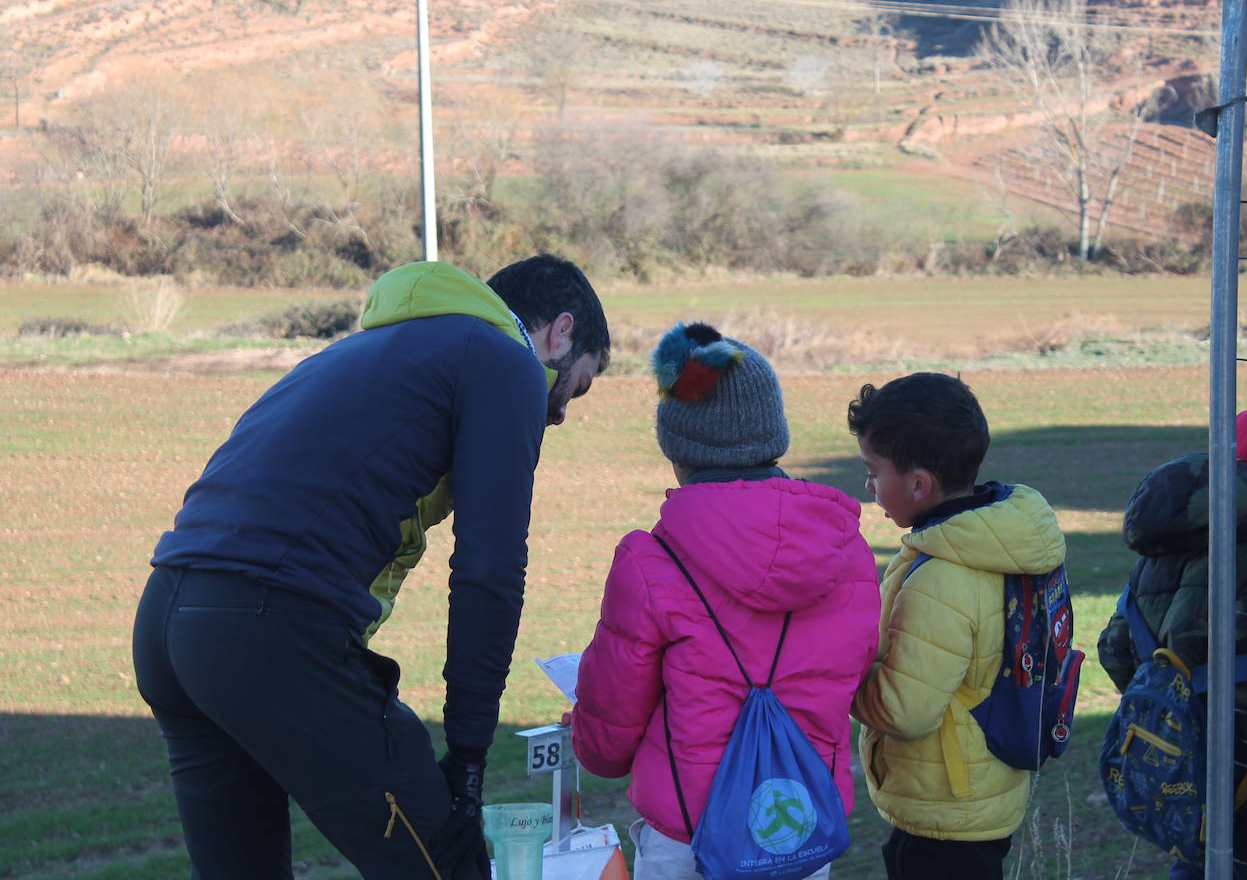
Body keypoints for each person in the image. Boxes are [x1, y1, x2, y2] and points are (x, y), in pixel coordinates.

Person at [132, 256, 611, 879]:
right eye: (577, 387)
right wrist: (467, 759)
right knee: (449, 867)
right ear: (560, 332)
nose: (561, 414)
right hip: (267, 629)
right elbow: (489, 572)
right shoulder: (506, 362)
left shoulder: (366, 348)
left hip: (169, 622)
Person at [569, 322, 880, 880]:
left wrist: (588, 737)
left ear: (677, 446)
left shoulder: (650, 562)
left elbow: (607, 742)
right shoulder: (848, 552)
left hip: (689, 839)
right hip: (795, 830)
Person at [1097, 407, 1247, 880]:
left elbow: (1115, 648)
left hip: (1172, 755)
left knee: (1199, 859)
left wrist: (1173, 712)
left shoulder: (1164, 545)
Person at [846, 372, 1067, 880]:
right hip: (984, 788)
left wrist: (841, 677)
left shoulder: (943, 577)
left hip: (945, 808)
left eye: (872, 472)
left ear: (919, 484)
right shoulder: (1000, 539)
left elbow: (904, 711)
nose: (870, 487)